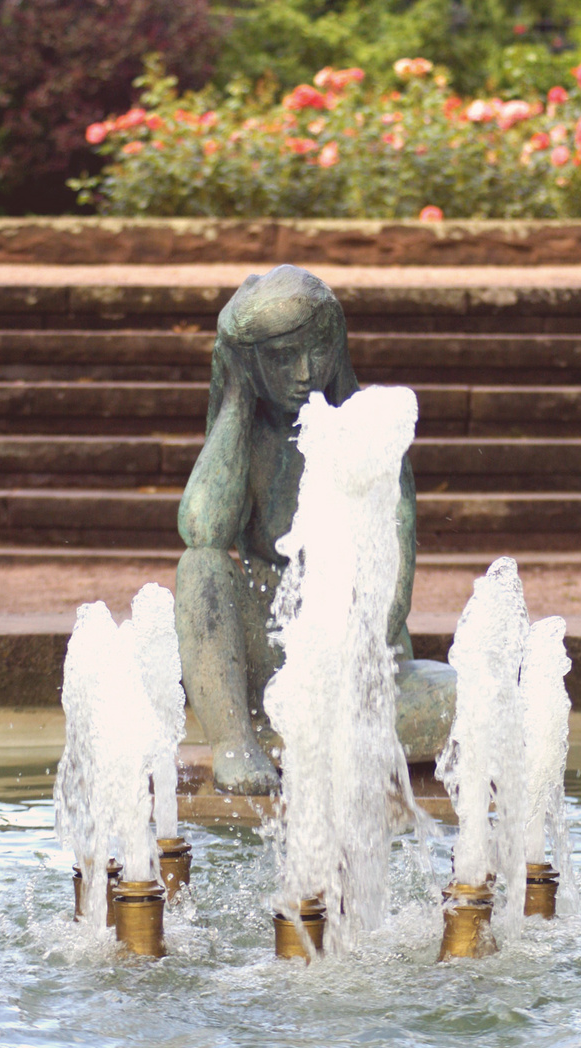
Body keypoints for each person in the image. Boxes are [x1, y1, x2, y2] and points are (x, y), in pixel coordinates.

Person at [176, 264, 453, 794]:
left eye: (318, 349)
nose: (305, 371)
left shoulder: (369, 433)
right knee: (200, 568)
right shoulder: (246, 439)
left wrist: (337, 667)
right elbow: (200, 528)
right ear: (251, 363)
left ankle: (313, 732)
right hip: (266, 659)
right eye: (282, 358)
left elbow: (393, 591)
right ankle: (234, 741)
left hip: (357, 669)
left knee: (466, 696)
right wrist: (235, 398)